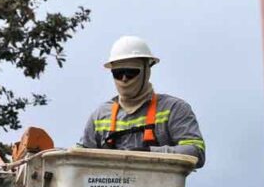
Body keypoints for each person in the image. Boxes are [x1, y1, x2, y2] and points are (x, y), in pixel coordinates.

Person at [78, 35, 205, 168]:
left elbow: (196, 151)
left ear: (147, 70)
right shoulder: (100, 115)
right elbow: (77, 158)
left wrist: (151, 154)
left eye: (131, 72)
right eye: (118, 73)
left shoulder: (173, 109)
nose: (124, 78)